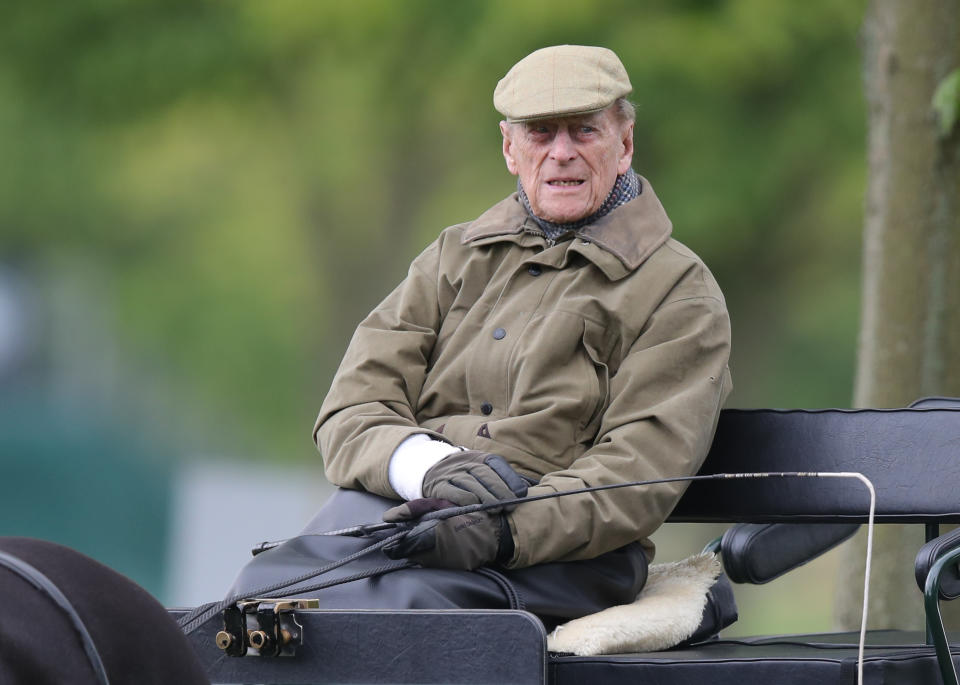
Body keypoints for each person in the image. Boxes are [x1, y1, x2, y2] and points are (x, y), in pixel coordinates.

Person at [232, 44, 731, 627]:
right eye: (541, 134)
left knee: (387, 618)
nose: (562, 153)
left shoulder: (680, 293)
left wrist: (497, 529)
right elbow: (351, 407)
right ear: (509, 149)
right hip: (401, 515)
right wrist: (424, 467)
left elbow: (638, 474)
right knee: (255, 598)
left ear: (624, 144)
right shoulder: (453, 256)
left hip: (561, 556)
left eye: (584, 131)